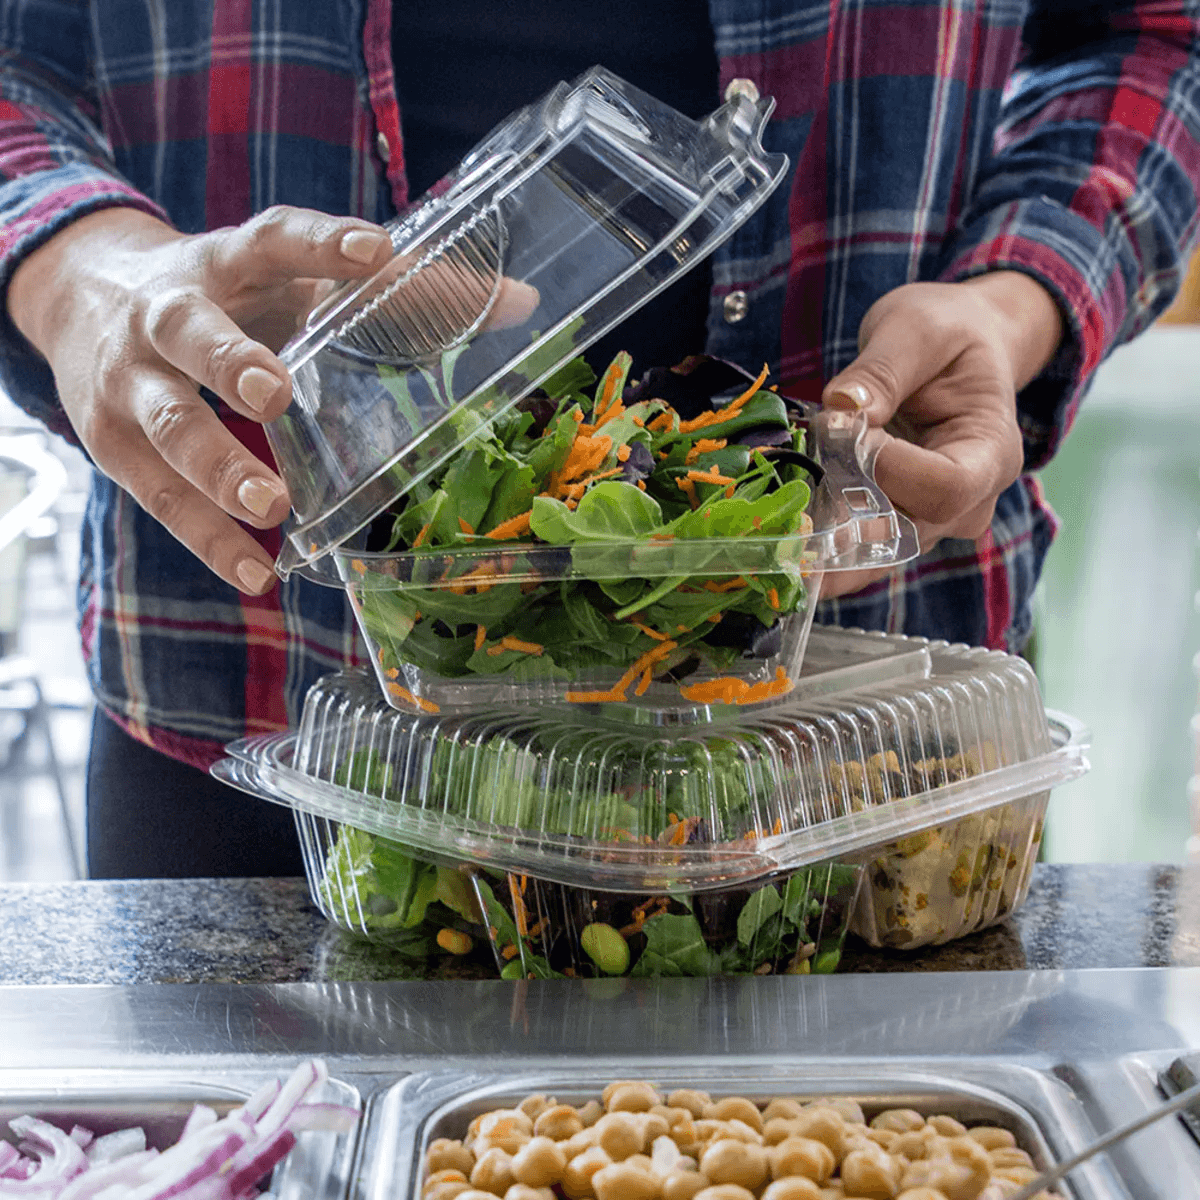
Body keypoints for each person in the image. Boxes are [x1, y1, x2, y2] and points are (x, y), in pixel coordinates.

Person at [0, 1, 1195, 878]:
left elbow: (1151, 33)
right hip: (251, 704)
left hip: (868, 736)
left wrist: (1013, 297)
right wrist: (80, 270)